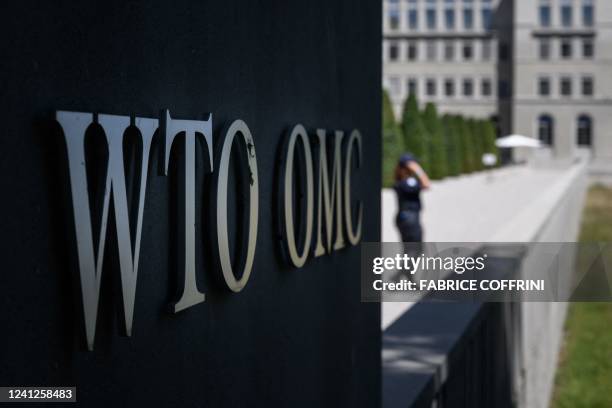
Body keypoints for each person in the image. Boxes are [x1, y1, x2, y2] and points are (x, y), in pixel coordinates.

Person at [393, 153, 431, 242]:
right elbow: (426, 184)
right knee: (413, 250)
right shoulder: (407, 182)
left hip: (406, 217)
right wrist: (418, 170)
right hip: (410, 218)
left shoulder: (401, 182)